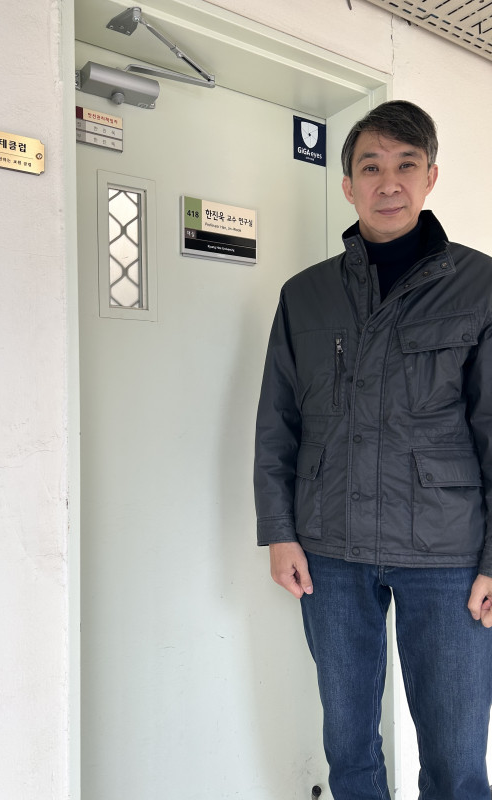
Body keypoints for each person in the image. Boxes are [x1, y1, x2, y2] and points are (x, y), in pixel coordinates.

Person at [254, 100, 492, 799]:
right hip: (330, 547)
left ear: (431, 177)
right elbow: (277, 423)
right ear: (348, 185)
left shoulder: (481, 287)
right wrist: (279, 531)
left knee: (455, 757)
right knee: (349, 746)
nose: (389, 183)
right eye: (371, 167)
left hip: (448, 555)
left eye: (406, 165)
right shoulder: (305, 295)